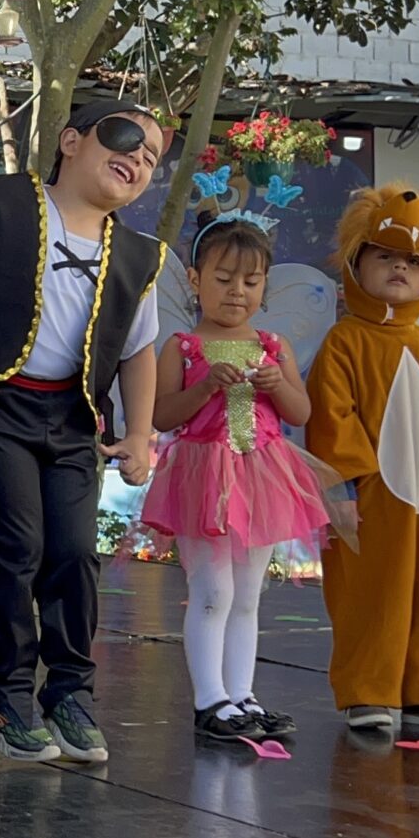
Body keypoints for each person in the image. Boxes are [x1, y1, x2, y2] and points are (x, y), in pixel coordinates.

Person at [0, 100, 167, 766]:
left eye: (151, 156)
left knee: (75, 552)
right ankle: (8, 691)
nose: (137, 157)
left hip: (75, 418)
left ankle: (71, 692)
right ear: (72, 141)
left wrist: (140, 434)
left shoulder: (137, 257)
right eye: (125, 137)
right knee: (14, 545)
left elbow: (139, 350)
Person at [141, 210, 337, 742]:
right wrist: (205, 389)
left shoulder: (275, 347)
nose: (237, 293)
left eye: (251, 282)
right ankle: (211, 700)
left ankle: (242, 694)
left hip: (261, 478)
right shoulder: (181, 346)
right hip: (203, 478)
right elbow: (161, 415)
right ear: (195, 279)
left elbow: (299, 413)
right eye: (224, 280)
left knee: (249, 593)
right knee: (212, 590)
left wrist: (278, 383)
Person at [305, 183, 419, 732]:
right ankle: (368, 690)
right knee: (371, 593)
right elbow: (330, 417)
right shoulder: (343, 341)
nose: (399, 270)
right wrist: (348, 485)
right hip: (371, 500)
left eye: (413, 262)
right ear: (355, 263)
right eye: (384, 257)